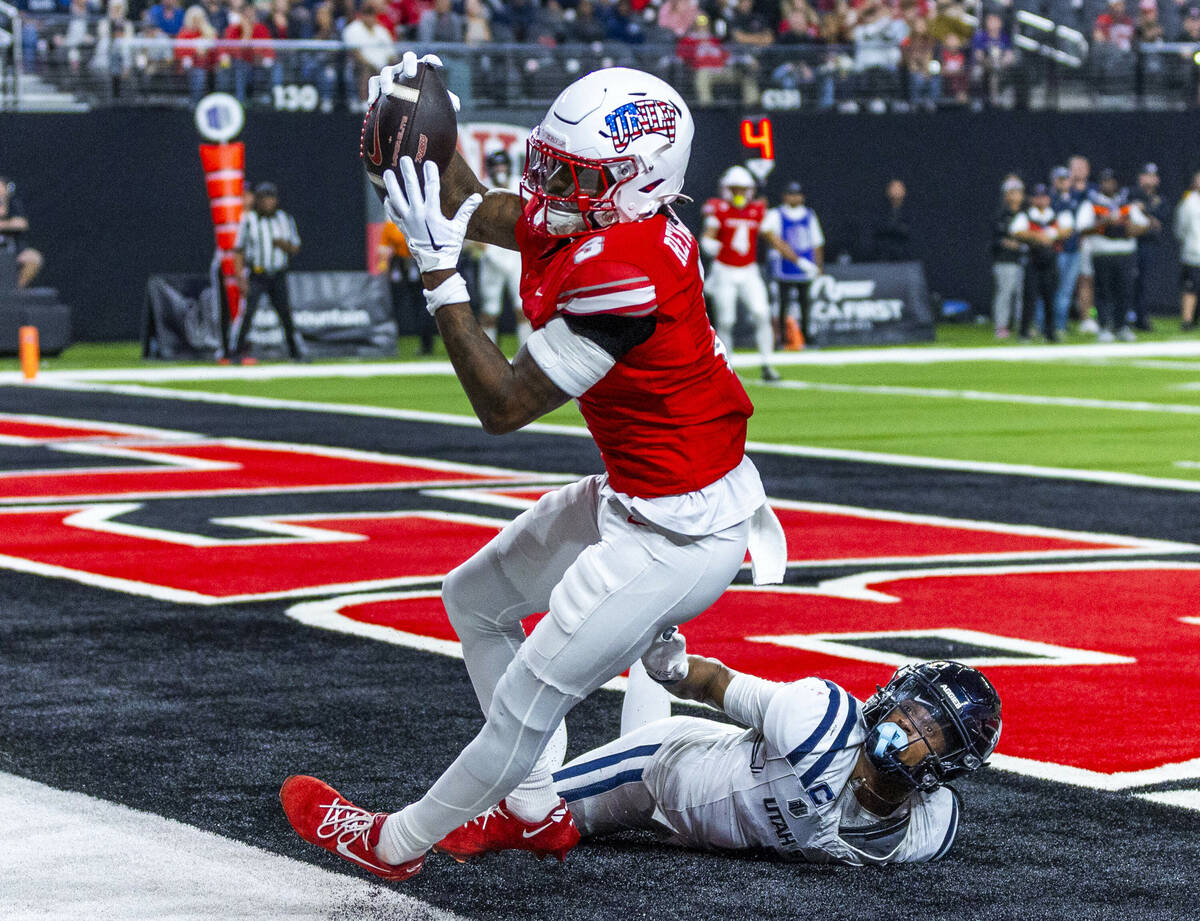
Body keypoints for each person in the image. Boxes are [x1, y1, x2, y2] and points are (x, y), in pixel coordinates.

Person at [280, 55, 786, 881]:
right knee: (472, 600)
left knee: (526, 702)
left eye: (571, 173)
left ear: (638, 181)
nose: (548, 184)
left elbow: (503, 405)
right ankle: (536, 808)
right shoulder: (606, 222)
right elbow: (479, 206)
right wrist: (419, 136)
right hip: (645, 492)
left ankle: (391, 843)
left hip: (679, 532)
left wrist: (440, 276)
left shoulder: (626, 273)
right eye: (548, 160)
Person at [540, 639, 1002, 866]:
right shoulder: (819, 722)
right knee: (526, 820)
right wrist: (672, 668)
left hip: (703, 828)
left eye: (933, 728)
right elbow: (717, 684)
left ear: (948, 765)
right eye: (914, 705)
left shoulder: (927, 831)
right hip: (661, 771)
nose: (908, 721)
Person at [703, 165, 783, 382]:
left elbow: (772, 237)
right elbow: (708, 235)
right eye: (735, 189)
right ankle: (728, 367)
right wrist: (710, 244)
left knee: (762, 313)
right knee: (726, 320)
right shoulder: (718, 208)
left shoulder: (757, 210)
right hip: (724, 270)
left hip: (748, 269)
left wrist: (796, 259)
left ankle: (767, 363)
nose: (740, 194)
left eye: (743, 189)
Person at [231, 181, 307, 363]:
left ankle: (296, 353)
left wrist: (283, 244)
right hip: (257, 274)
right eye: (264, 199)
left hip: (278, 274)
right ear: (257, 201)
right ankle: (235, 354)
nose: (267, 202)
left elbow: (296, 247)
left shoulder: (284, 219)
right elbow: (238, 250)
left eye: (270, 198)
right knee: (247, 314)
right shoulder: (248, 220)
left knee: (286, 314)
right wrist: (240, 277)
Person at [1078, 169, 1147, 342]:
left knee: (1124, 291)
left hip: (1125, 252)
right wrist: (1105, 222)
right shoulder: (1091, 204)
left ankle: (1121, 326)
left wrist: (1130, 228)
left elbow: (1144, 224)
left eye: (1111, 181)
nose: (1109, 184)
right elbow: (1081, 227)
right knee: (1104, 292)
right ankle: (1104, 326)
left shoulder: (1125, 204)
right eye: (1105, 181)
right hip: (1103, 252)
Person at [472, 150, 529, 348]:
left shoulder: (521, 185)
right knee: (489, 310)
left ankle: (526, 352)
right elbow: (473, 224)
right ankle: (489, 354)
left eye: (502, 166)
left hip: (516, 253)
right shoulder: (482, 188)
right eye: (495, 167)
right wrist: (485, 249)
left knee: (522, 308)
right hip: (492, 254)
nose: (500, 171)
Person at [761, 180, 824, 349]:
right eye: (791, 194)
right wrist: (793, 257)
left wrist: (818, 267)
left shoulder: (809, 215)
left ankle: (806, 336)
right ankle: (781, 338)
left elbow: (817, 242)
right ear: (785, 196)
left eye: (797, 194)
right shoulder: (777, 214)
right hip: (785, 266)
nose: (794, 197)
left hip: (806, 267)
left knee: (806, 303)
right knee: (782, 303)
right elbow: (768, 234)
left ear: (802, 197)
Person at [1009, 183, 1071, 343]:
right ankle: (1024, 331)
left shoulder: (1056, 214)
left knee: (1050, 297)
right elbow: (1016, 231)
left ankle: (1050, 332)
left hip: (1051, 260)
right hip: (1033, 259)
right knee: (1029, 297)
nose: (1041, 200)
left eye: (1044, 196)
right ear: (1032, 199)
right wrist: (1037, 236)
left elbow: (1068, 229)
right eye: (1038, 197)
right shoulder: (1026, 215)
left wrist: (1051, 233)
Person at [375, 220, 434, 355]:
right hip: (400, 264)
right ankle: (393, 342)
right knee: (398, 304)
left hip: (419, 262)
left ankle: (427, 344)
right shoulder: (391, 225)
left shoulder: (419, 220)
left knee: (423, 304)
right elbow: (383, 248)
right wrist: (384, 265)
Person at [1130, 162, 1169, 331]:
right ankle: (1127, 316)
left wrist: (1144, 210)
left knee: (1145, 283)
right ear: (1140, 177)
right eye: (1147, 175)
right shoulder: (1131, 194)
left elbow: (1159, 223)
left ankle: (1141, 317)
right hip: (1131, 244)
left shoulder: (1161, 199)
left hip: (1149, 245)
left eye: (1153, 176)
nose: (1150, 179)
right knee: (1129, 282)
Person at [1050, 163, 1087, 336]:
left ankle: (1060, 325)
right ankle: (1048, 324)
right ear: (1054, 181)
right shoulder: (1050, 199)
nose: (1064, 183)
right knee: (1053, 289)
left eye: (1066, 179)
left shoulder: (1075, 198)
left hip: (1073, 250)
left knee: (1066, 290)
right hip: (1057, 250)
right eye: (1061, 180)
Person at [991, 176, 1026, 340]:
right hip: (1005, 260)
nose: (1016, 195)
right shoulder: (1000, 215)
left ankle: (1022, 326)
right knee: (1005, 293)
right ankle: (1001, 326)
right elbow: (997, 240)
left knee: (1022, 294)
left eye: (1018, 191)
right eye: (1012, 192)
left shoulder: (1026, 213)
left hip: (1023, 260)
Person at [0, 177, 44, 289]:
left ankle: (16, 291)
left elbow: (21, 223)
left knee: (34, 258)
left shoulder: (13, 203)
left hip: (13, 250)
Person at [1174, 169, 1200, 331]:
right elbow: (1181, 227)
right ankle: (1187, 320)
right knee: (1190, 287)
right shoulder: (1189, 201)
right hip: (1193, 252)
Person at [872, 179, 913, 262]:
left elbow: (907, 231)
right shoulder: (880, 213)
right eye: (893, 190)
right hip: (883, 254)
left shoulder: (908, 213)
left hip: (902, 254)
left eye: (899, 190)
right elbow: (877, 230)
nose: (896, 193)